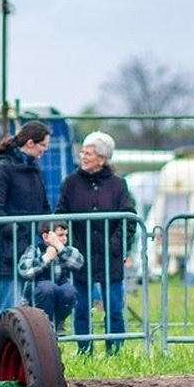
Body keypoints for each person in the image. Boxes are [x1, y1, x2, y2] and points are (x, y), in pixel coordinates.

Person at [55, 131, 137, 355]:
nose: (83, 156)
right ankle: (84, 350)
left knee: (114, 308)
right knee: (81, 308)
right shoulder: (71, 183)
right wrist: (69, 245)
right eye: (82, 152)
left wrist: (116, 245)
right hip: (81, 258)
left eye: (88, 153)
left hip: (110, 258)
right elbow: (61, 214)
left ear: (102, 158)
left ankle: (116, 350)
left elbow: (128, 218)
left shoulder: (118, 184)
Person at [0, 120, 52, 312]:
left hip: (35, 248)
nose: (45, 150)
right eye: (43, 145)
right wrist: (17, 233)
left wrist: (47, 230)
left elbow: (44, 205)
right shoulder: (3, 168)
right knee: (10, 307)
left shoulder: (36, 170)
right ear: (30, 143)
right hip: (10, 249)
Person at [18, 219, 84, 336]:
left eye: (66, 235)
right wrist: (45, 259)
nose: (64, 238)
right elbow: (24, 270)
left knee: (69, 291)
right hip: (36, 296)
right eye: (60, 235)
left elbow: (78, 262)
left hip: (59, 293)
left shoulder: (65, 250)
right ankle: (45, 324)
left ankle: (58, 321)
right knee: (47, 287)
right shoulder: (35, 249)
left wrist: (59, 247)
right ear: (46, 236)